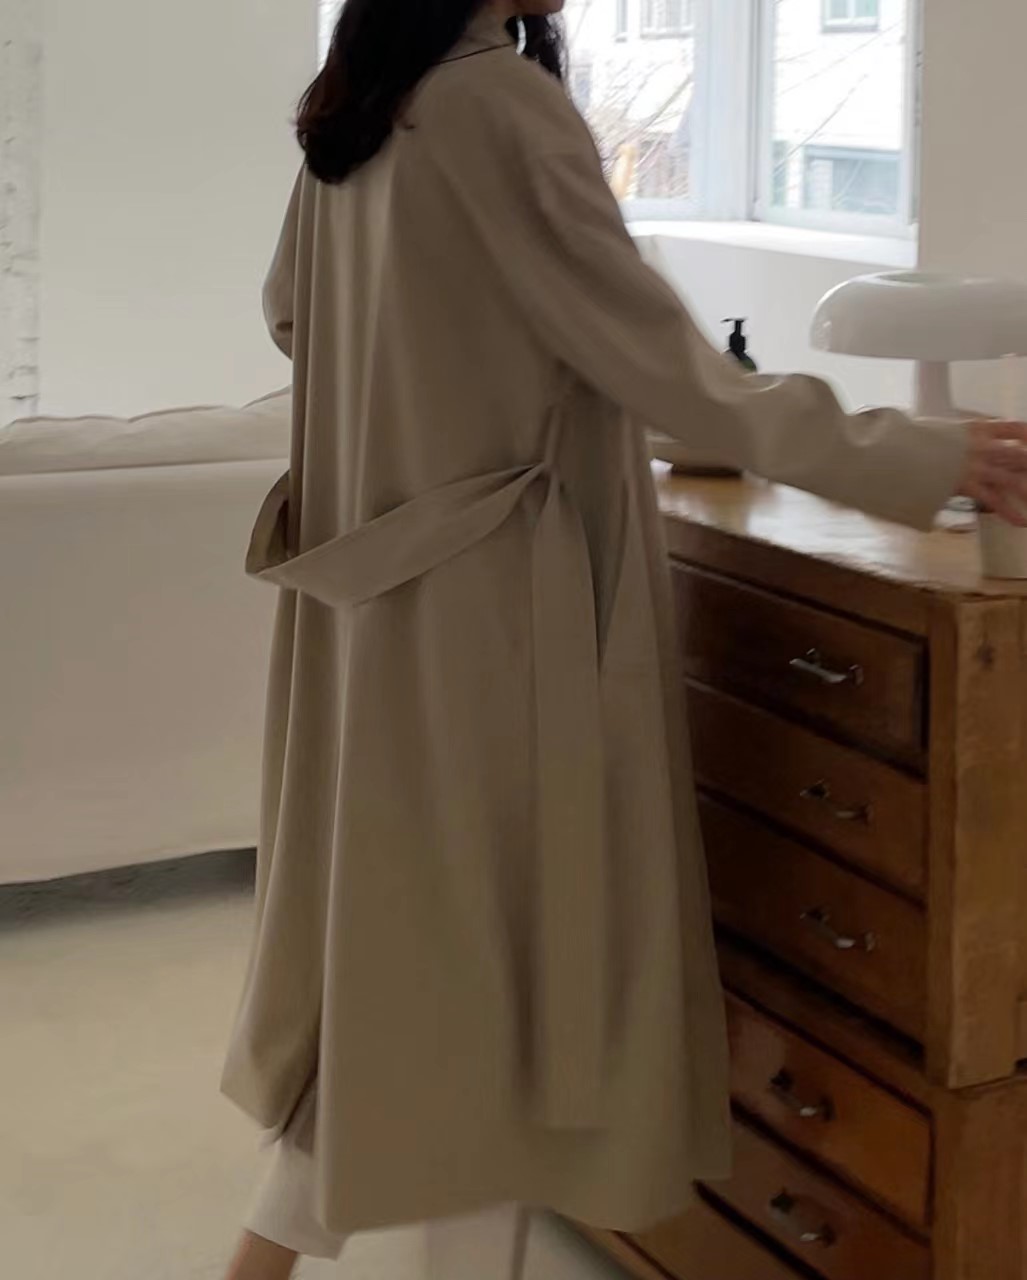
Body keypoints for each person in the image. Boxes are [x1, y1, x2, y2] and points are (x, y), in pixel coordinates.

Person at [221, 2, 1027, 1277]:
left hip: (391, 600)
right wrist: (917, 452)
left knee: (431, 969)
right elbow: (667, 368)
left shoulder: (365, 102)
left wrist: (469, 393)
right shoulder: (502, 105)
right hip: (504, 615)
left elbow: (296, 313)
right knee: (508, 992)